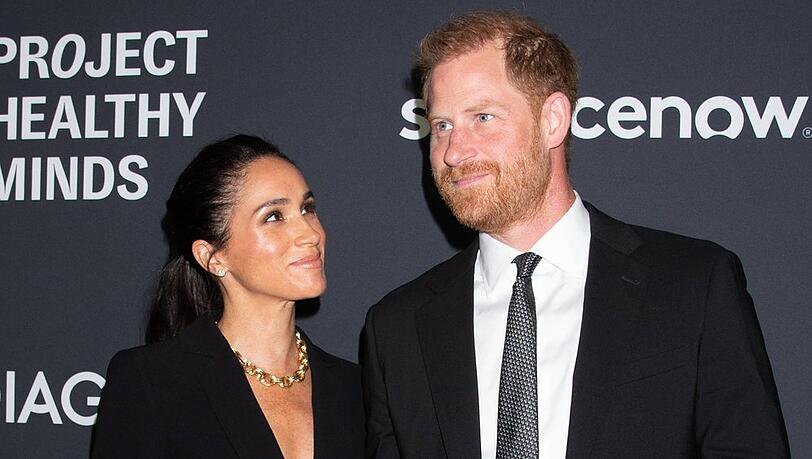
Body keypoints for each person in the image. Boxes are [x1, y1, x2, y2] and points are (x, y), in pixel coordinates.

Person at [362, 11, 789, 459]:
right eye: (442, 125)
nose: (453, 152)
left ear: (553, 119)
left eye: (482, 117)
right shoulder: (397, 327)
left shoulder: (694, 286)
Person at [91, 135, 364, 458]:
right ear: (213, 257)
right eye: (274, 216)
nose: (309, 233)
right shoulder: (152, 381)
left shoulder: (356, 388)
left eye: (308, 209)